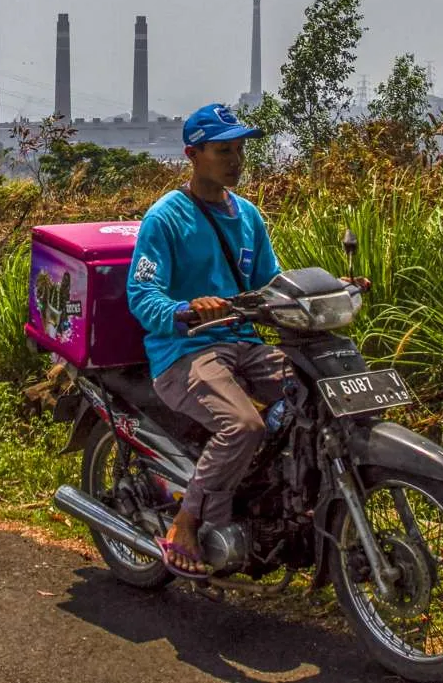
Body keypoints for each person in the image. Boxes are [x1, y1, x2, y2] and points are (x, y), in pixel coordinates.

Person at [126, 102, 291, 578]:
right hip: (186, 351)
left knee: (313, 394)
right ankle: (187, 521)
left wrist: (322, 290)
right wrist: (185, 309)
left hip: (244, 344)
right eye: (223, 151)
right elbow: (142, 294)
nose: (235, 161)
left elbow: (270, 283)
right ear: (193, 155)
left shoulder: (248, 216)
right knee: (243, 425)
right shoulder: (166, 218)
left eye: (239, 150)